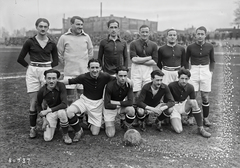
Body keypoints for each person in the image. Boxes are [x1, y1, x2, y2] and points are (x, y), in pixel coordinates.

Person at [17, 18, 58, 138]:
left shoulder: (52, 43)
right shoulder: (30, 42)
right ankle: (33, 128)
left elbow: (55, 60)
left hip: (47, 71)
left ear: (48, 28)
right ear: (36, 27)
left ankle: (50, 124)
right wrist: (30, 68)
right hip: (33, 71)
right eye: (41, 26)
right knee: (34, 102)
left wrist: (49, 69)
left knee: (48, 100)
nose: (43, 29)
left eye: (45, 26)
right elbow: (20, 59)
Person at [60, 59, 114, 138]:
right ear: (88, 68)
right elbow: (70, 81)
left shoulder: (105, 76)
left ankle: (92, 123)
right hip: (84, 101)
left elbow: (117, 79)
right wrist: (54, 81)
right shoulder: (84, 77)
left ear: (100, 68)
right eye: (92, 68)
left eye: (96, 67)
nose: (94, 70)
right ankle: (78, 130)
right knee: (69, 111)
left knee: (95, 133)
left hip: (97, 105)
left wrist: (129, 81)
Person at [57, 16, 93, 105]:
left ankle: (82, 118)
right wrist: (67, 64)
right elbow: (59, 53)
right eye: (78, 24)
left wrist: (84, 63)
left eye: (81, 25)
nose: (80, 26)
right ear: (71, 24)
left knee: (84, 98)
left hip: (83, 74)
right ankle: (72, 118)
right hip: (69, 74)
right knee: (69, 99)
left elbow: (90, 52)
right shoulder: (64, 37)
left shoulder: (86, 37)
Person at [157, 29, 189, 125]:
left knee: (179, 91)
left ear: (176, 36)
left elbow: (184, 62)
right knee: (166, 92)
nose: (172, 37)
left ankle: (181, 114)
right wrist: (164, 70)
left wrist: (185, 73)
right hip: (166, 71)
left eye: (174, 35)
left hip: (177, 72)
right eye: (170, 35)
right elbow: (159, 63)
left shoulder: (182, 48)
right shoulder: (162, 49)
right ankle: (166, 115)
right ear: (167, 36)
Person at [167, 68, 211, 138]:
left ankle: (201, 129)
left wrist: (191, 116)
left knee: (193, 101)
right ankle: (170, 120)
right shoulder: (171, 86)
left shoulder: (190, 87)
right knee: (178, 130)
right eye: (182, 78)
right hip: (173, 107)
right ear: (178, 78)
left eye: (186, 79)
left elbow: (193, 103)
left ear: (188, 79)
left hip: (183, 106)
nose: (184, 81)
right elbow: (166, 100)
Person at [186, 26, 215, 126]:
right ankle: (190, 116)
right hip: (193, 70)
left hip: (205, 70)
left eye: (202, 34)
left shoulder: (210, 46)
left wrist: (211, 72)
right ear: (195, 35)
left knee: (205, 97)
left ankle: (205, 118)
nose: (200, 36)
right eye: (198, 34)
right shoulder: (190, 47)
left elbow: (213, 60)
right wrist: (187, 71)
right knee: (193, 95)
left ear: (205, 35)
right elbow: (186, 60)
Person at [130, 24, 158, 126]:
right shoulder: (133, 43)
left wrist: (140, 60)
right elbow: (133, 59)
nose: (144, 34)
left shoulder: (153, 45)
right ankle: (138, 117)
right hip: (136, 70)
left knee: (147, 93)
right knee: (136, 94)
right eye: (143, 32)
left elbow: (154, 62)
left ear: (149, 33)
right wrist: (148, 58)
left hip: (148, 70)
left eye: (146, 32)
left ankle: (146, 117)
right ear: (139, 32)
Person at [37, 69, 72, 144]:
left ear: (57, 79)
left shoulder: (61, 85)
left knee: (61, 113)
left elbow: (64, 104)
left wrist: (47, 111)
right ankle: (56, 125)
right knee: (47, 138)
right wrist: (44, 119)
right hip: (51, 111)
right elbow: (38, 105)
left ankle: (65, 134)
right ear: (45, 79)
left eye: (54, 78)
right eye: (49, 78)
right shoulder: (42, 90)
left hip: (62, 109)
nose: (51, 81)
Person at [103, 66, 135, 137]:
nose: (123, 78)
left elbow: (130, 102)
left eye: (125, 76)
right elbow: (106, 104)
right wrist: (117, 105)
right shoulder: (110, 85)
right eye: (120, 76)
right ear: (116, 76)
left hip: (118, 106)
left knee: (131, 110)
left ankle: (125, 123)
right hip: (109, 109)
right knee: (110, 134)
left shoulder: (129, 85)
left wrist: (116, 102)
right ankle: (104, 121)